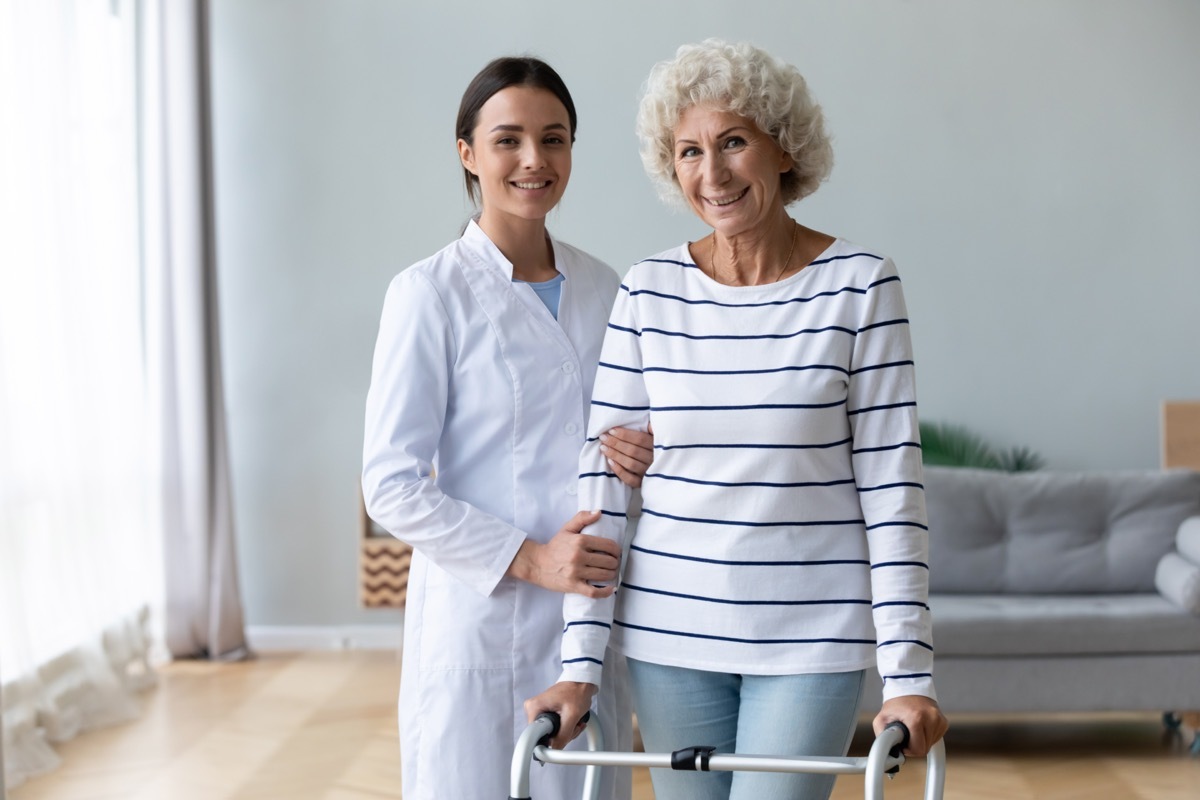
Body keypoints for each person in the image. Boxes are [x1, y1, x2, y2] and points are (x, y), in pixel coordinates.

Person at [526, 39, 949, 800]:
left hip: (811, 642)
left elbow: (893, 495)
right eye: (688, 151)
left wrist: (909, 674)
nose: (711, 174)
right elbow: (606, 490)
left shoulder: (860, 288)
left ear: (783, 149)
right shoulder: (650, 292)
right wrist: (578, 671)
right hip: (669, 636)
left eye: (732, 142)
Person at [361, 56, 650, 800]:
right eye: (508, 139)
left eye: (554, 139)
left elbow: (628, 440)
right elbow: (390, 485)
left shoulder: (607, 288)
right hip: (480, 619)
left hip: (588, 623)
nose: (533, 160)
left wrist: (646, 454)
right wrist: (529, 559)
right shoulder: (428, 293)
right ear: (468, 153)